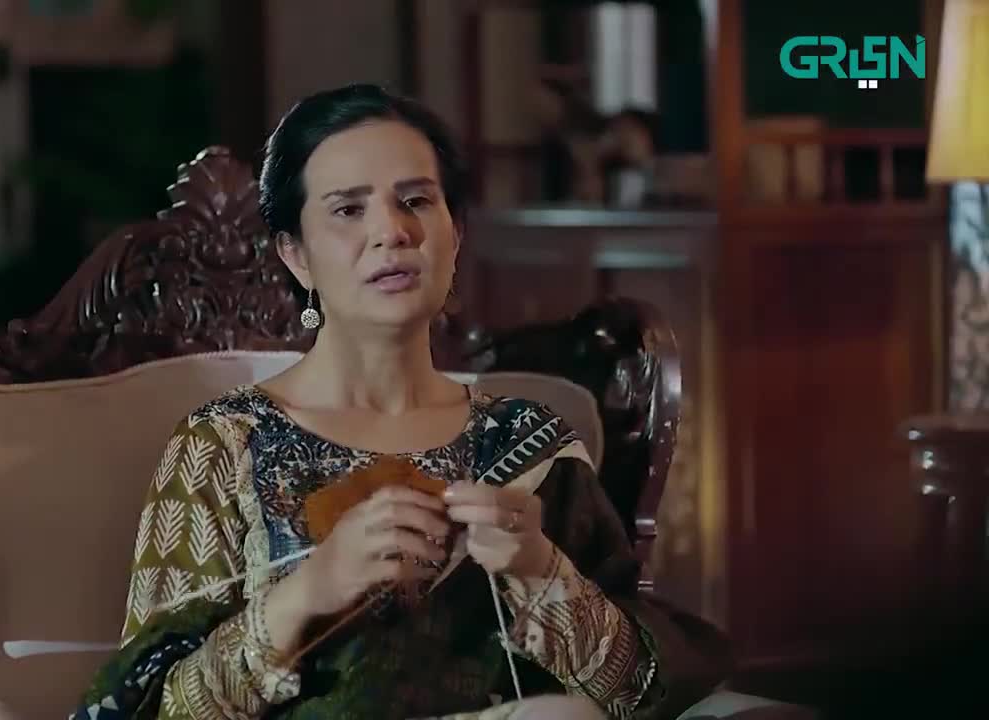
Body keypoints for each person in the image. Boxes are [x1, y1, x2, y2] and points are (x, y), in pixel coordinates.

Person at [72, 84, 731, 720]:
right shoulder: (222, 445)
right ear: (296, 256)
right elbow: (152, 709)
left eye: (416, 200)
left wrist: (540, 569)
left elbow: (638, 697)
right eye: (348, 210)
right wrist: (310, 591)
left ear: (455, 233)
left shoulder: (530, 441)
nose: (392, 231)